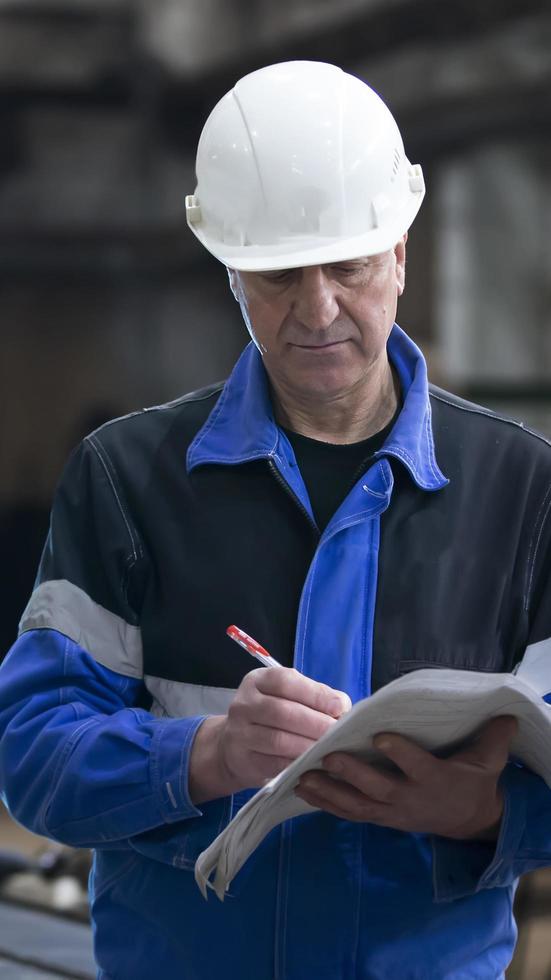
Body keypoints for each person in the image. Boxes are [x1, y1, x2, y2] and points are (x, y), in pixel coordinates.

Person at [1, 60, 551, 980]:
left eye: (349, 265)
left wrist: (484, 813)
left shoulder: (522, 489)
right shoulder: (128, 479)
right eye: (278, 275)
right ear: (229, 272)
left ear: (401, 254)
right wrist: (204, 755)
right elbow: (33, 753)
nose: (317, 308)